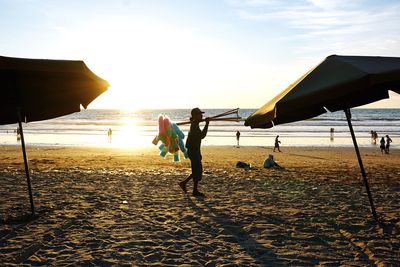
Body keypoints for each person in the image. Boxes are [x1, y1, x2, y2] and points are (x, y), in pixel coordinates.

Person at [179, 108, 210, 197]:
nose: (202, 116)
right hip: (193, 151)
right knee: (197, 170)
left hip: (195, 150)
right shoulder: (194, 126)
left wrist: (199, 121)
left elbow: (196, 122)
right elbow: (202, 136)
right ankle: (194, 190)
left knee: (197, 170)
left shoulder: (195, 123)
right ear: (195, 116)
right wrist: (207, 124)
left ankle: (184, 183)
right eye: (200, 114)